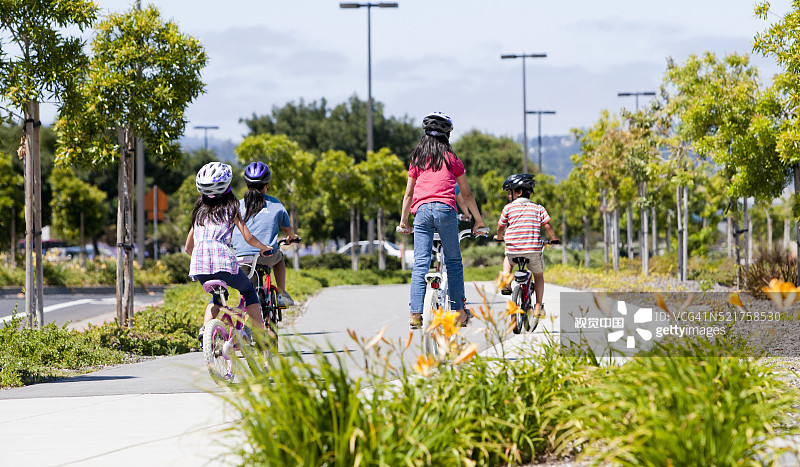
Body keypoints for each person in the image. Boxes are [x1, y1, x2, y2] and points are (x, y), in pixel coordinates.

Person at [398, 111, 488, 329]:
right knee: (454, 262)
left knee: (420, 263)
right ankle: (459, 312)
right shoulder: (452, 159)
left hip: (421, 212)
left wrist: (404, 222)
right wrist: (479, 222)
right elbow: (466, 194)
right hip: (446, 210)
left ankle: (416, 315)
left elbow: (409, 194)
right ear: (447, 136)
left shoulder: (417, 159)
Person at [184, 162, 274, 341]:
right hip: (223, 262)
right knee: (248, 291)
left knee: (217, 298)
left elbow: (188, 248)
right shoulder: (231, 207)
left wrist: (202, 258)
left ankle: (204, 330)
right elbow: (248, 237)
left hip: (198, 265)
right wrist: (264, 247)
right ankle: (261, 331)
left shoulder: (198, 212)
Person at [231, 161, 299, 307]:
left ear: (247, 184)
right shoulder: (276, 205)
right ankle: (281, 295)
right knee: (279, 259)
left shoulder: (237, 205)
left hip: (242, 258)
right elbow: (288, 230)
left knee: (249, 291)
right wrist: (292, 238)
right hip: (267, 256)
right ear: (266, 185)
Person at [493, 173, 559, 318]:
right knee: (539, 275)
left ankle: (506, 282)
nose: (508, 196)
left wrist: (499, 237)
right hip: (533, 250)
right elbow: (547, 225)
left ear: (519, 192)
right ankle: (538, 305)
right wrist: (553, 238)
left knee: (508, 260)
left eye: (510, 192)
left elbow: (500, 226)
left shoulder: (508, 208)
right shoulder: (538, 208)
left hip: (513, 249)